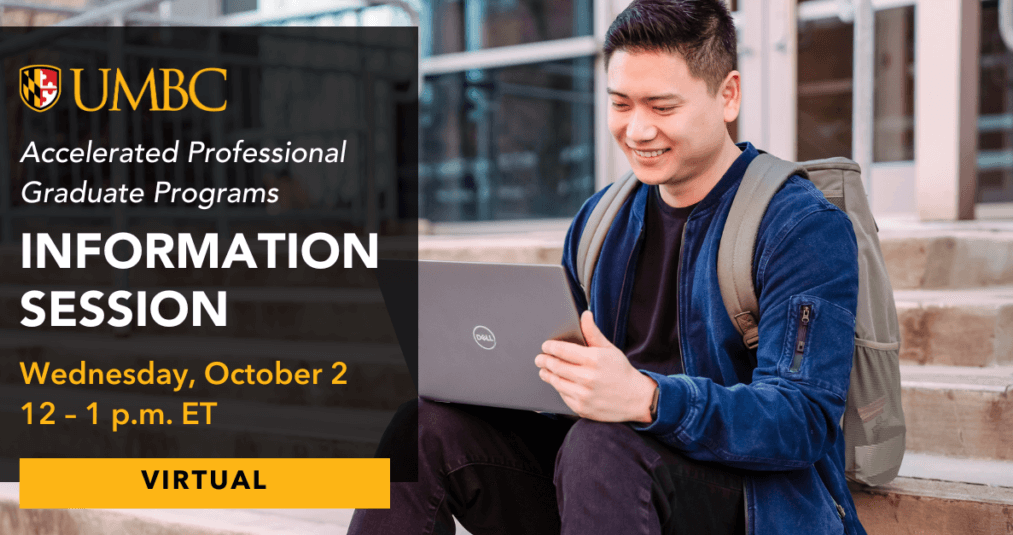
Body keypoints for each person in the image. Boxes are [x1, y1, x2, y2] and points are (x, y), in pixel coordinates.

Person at [349, 0, 866, 533]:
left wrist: (648, 399)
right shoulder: (601, 220)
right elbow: (568, 389)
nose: (637, 130)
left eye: (662, 107)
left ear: (727, 95)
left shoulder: (800, 227)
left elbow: (801, 421)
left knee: (603, 443)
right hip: (604, 487)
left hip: (754, 503)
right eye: (621, 103)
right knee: (423, 428)